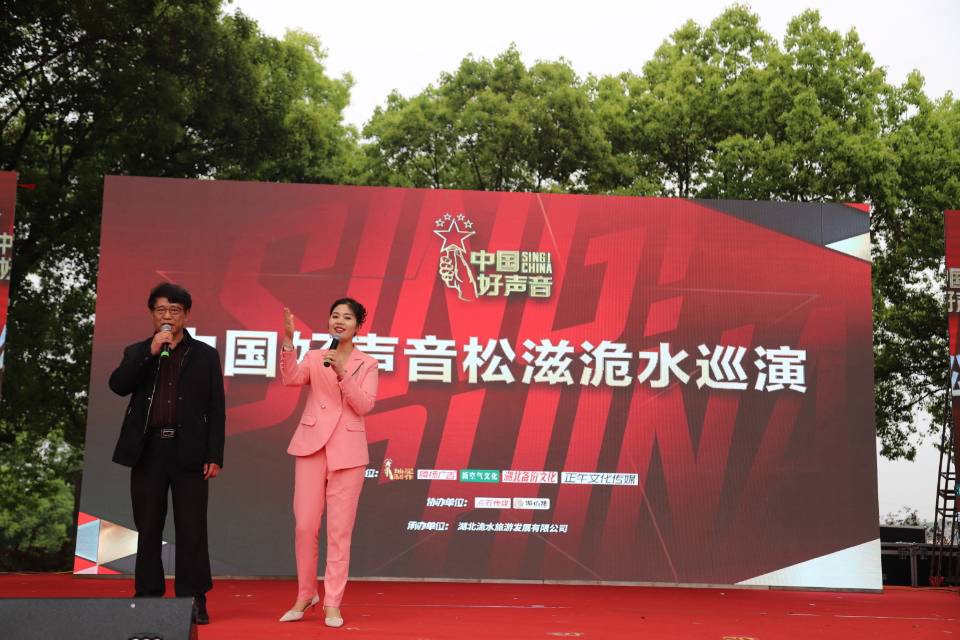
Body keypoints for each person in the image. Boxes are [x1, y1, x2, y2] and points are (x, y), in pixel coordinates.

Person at [109, 283, 225, 625]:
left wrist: (214, 453)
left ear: (186, 315)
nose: (168, 316)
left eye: (175, 310)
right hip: (148, 451)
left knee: (192, 528)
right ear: (152, 314)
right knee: (148, 526)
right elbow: (118, 385)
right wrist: (150, 352)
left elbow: (216, 409)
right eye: (161, 310)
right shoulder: (138, 351)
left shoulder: (205, 355)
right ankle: (147, 596)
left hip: (190, 452)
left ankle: (193, 598)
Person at [278, 297, 378, 628]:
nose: (339, 321)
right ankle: (306, 594)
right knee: (305, 526)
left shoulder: (368, 363)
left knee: (339, 532)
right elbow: (291, 378)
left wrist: (342, 372)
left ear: (357, 326)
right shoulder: (315, 356)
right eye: (335, 315)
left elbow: (364, 405)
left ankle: (333, 602)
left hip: (348, 453)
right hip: (311, 447)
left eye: (347, 317)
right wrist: (289, 341)